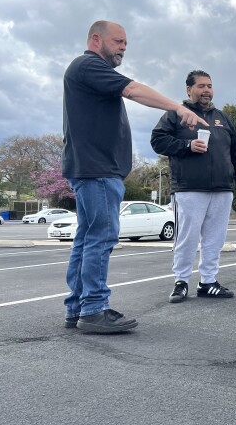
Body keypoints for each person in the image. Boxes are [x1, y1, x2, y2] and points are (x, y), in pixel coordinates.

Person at [62, 20, 207, 333]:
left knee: (87, 239)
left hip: (92, 169)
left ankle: (77, 308)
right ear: (96, 39)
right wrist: (179, 109)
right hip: (97, 170)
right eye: (118, 42)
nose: (123, 48)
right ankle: (94, 309)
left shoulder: (87, 71)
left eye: (125, 43)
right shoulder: (88, 65)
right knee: (100, 237)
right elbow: (133, 89)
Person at [150, 70, 236, 303]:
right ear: (189, 89)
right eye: (201, 86)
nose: (206, 90)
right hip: (189, 188)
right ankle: (181, 281)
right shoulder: (175, 115)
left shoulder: (223, 119)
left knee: (215, 239)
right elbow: (157, 140)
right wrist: (187, 145)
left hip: (222, 188)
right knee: (187, 237)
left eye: (210, 86)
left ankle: (208, 282)